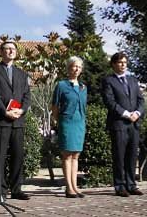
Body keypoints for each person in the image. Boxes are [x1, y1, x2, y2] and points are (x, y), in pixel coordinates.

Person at [0, 41, 31, 201]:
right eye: (7, 49)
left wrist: (22, 110)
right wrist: (4, 111)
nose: (10, 51)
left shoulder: (22, 74)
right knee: (0, 156)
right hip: (1, 120)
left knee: (18, 155)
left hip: (18, 121)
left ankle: (16, 189)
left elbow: (27, 96)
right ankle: (0, 191)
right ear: (1, 52)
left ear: (16, 53)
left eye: (13, 49)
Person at [101, 52, 145, 197]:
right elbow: (110, 102)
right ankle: (120, 186)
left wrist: (137, 113)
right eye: (120, 62)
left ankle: (131, 184)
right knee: (119, 156)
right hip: (119, 123)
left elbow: (141, 100)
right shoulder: (108, 81)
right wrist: (126, 114)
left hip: (134, 124)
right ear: (113, 64)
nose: (123, 65)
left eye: (125, 62)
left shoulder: (132, 80)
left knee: (132, 155)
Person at [51, 56, 87, 198]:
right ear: (68, 68)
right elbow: (54, 106)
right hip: (66, 122)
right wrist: (58, 120)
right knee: (67, 155)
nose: (76, 69)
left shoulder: (84, 87)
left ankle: (75, 186)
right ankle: (69, 188)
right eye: (74, 66)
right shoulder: (61, 85)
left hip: (79, 123)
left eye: (79, 66)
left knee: (76, 155)